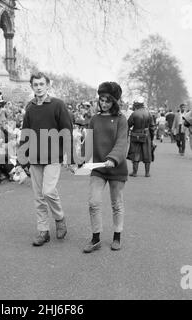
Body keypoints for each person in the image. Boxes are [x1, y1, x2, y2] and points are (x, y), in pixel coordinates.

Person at [18, 72, 73, 247]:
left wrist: (69, 155)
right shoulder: (30, 107)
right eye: (36, 84)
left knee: (48, 191)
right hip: (34, 156)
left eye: (42, 84)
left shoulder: (58, 105)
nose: (39, 87)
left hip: (53, 156)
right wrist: (23, 159)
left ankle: (59, 217)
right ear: (32, 87)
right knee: (38, 197)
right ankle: (43, 231)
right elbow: (25, 133)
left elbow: (67, 130)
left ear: (48, 85)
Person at [82, 82, 128, 253]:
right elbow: (88, 141)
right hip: (99, 168)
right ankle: (96, 239)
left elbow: (122, 142)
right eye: (101, 100)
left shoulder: (121, 120)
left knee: (116, 204)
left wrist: (113, 158)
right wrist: (80, 159)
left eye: (108, 101)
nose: (104, 103)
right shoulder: (94, 119)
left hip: (116, 168)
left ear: (115, 102)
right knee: (93, 202)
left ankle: (117, 236)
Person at [127, 97, 155, 177]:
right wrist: (152, 138)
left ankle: (135, 172)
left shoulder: (134, 113)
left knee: (135, 153)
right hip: (146, 135)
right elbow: (152, 127)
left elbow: (128, 125)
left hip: (135, 134)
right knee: (147, 153)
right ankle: (147, 173)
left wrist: (126, 136)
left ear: (136, 105)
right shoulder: (149, 113)